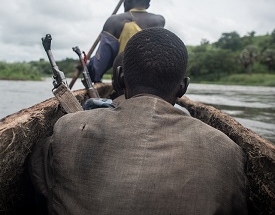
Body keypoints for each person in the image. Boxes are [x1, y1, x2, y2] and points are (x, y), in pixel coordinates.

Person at [29, 27, 248, 214]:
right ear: (183, 87)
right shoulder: (227, 151)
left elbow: (39, 183)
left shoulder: (69, 128)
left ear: (121, 77)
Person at [87, 0, 165, 83]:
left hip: (125, 88)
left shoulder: (115, 21)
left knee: (91, 68)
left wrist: (88, 65)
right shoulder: (159, 21)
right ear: (148, 5)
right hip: (155, 86)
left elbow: (98, 68)